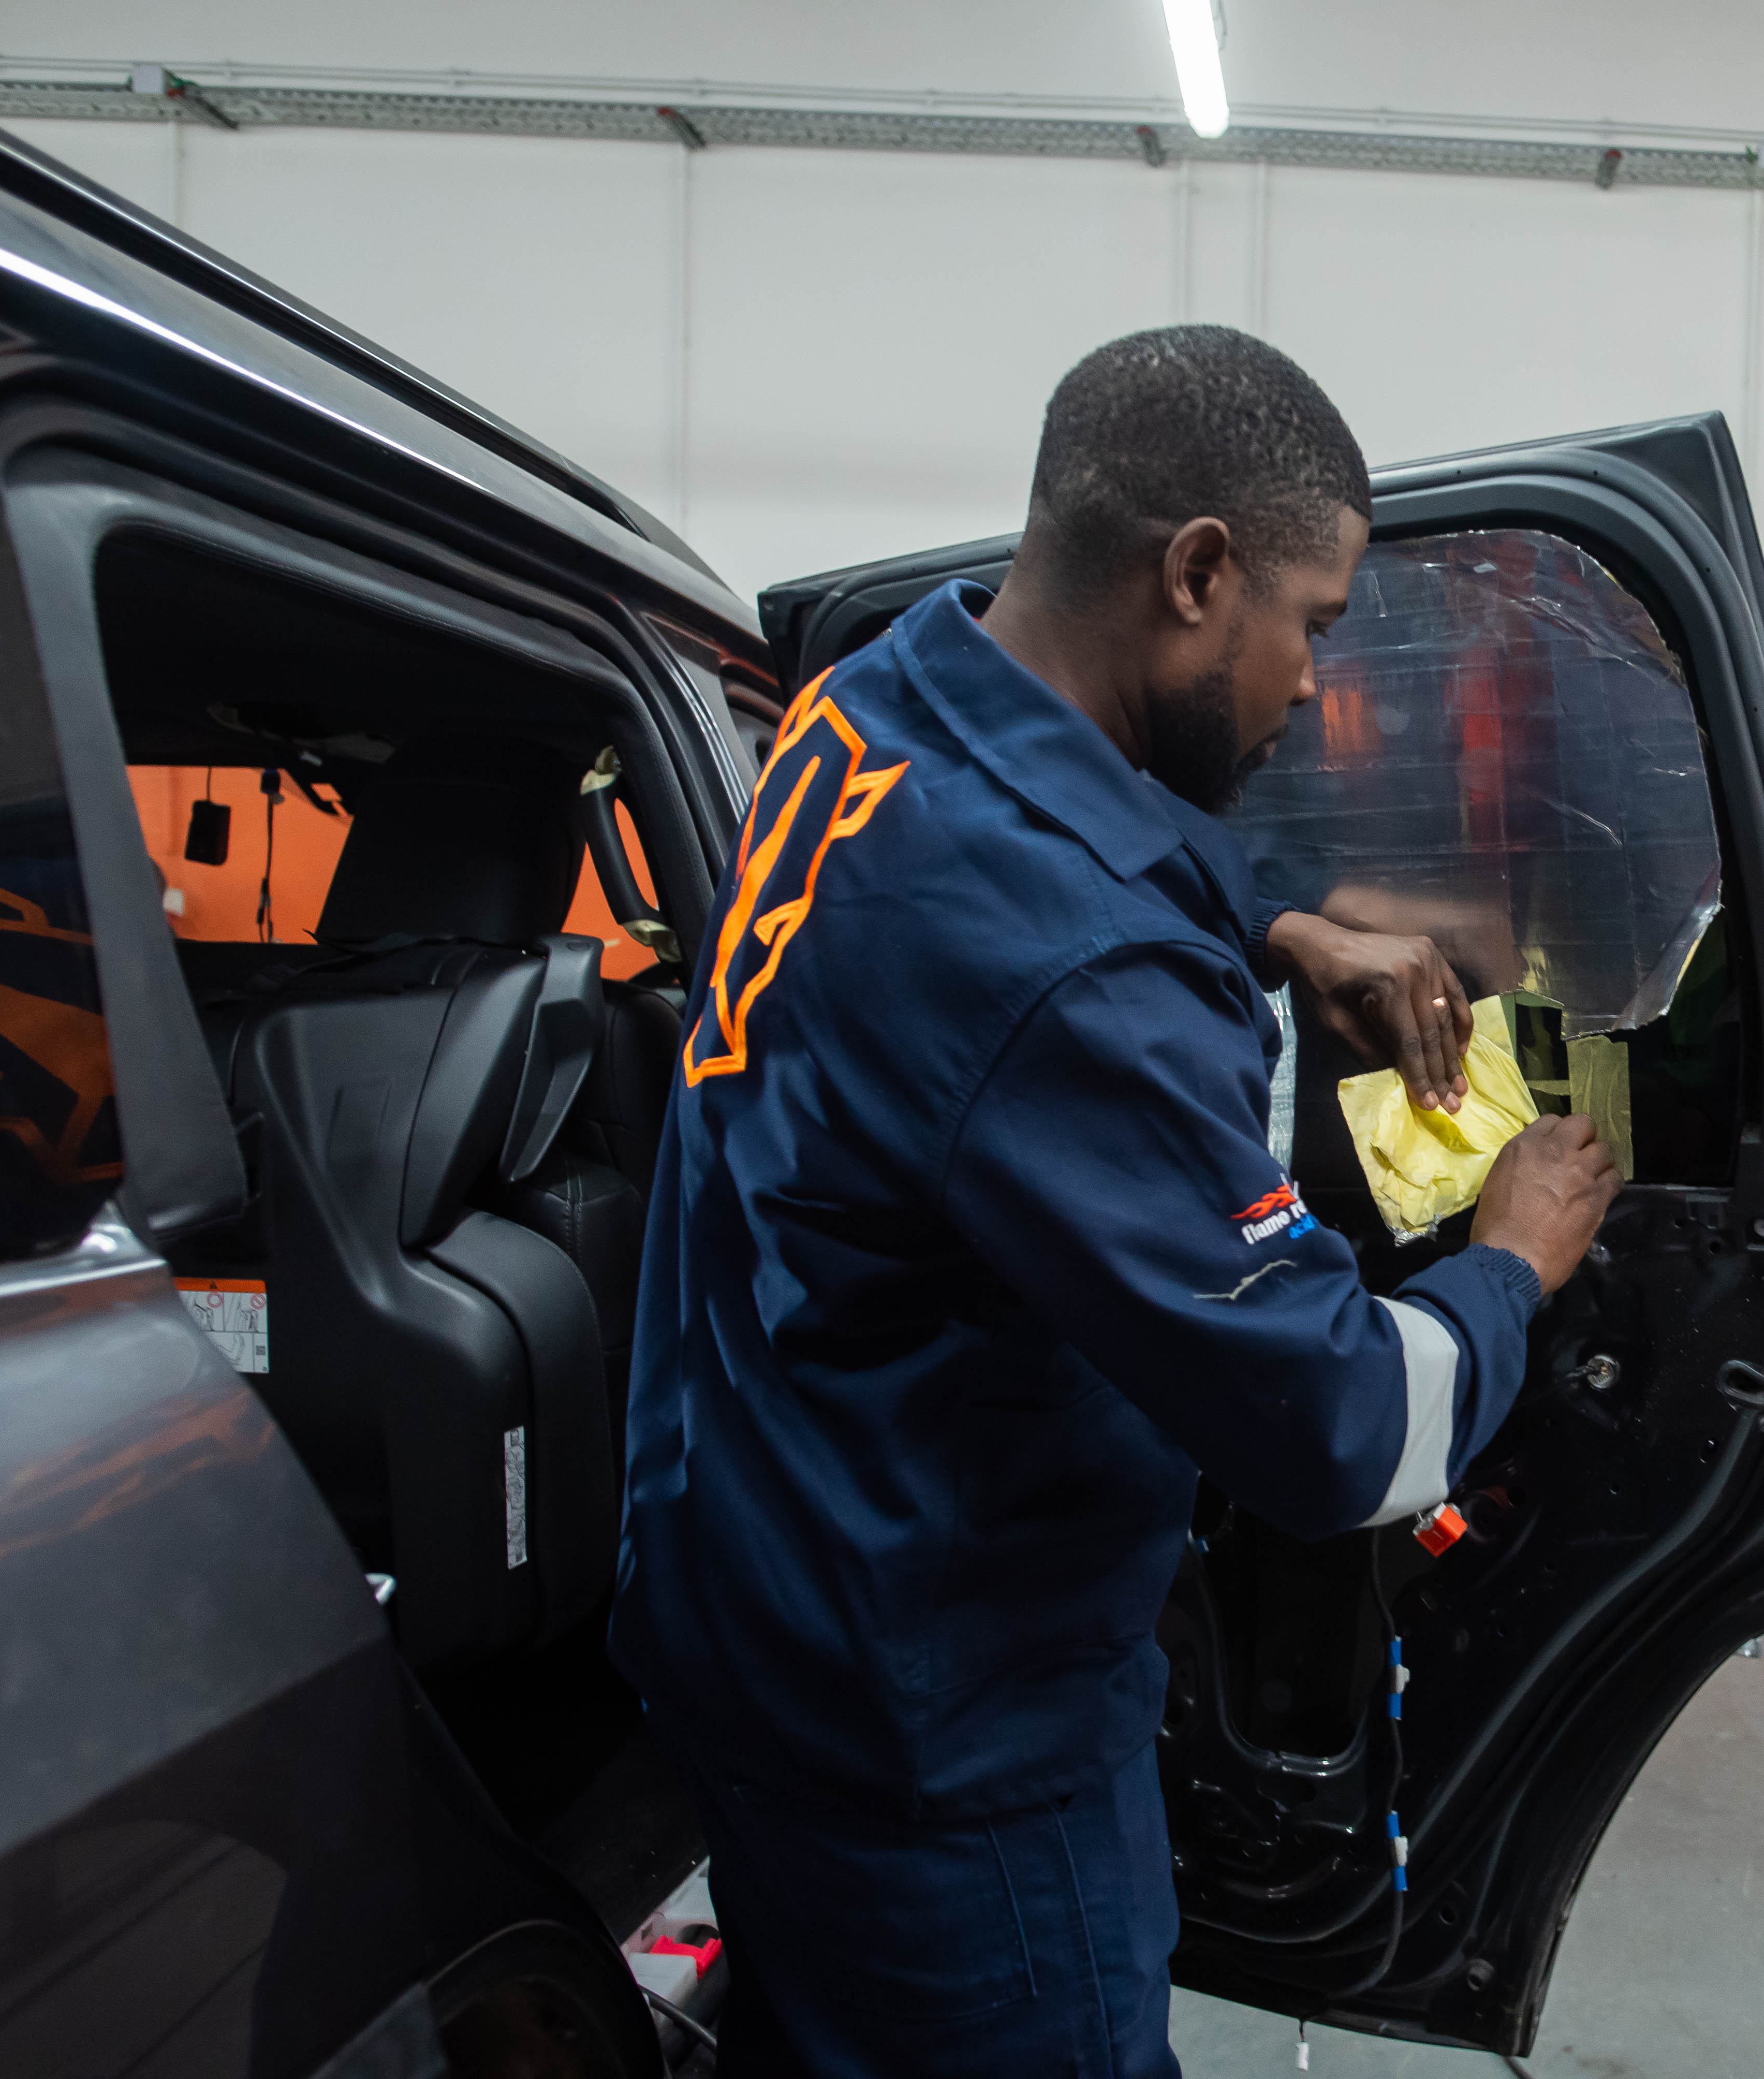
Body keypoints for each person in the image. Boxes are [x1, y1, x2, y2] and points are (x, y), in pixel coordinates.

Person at [610, 325, 1623, 2077]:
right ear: (1198, 573)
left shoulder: (875, 702)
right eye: (1311, 621)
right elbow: (1345, 1432)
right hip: (947, 1750)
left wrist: (1275, 932)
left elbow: (995, 902)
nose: (1312, 680)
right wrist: (1512, 1261)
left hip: (762, 1603)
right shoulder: (1072, 974)